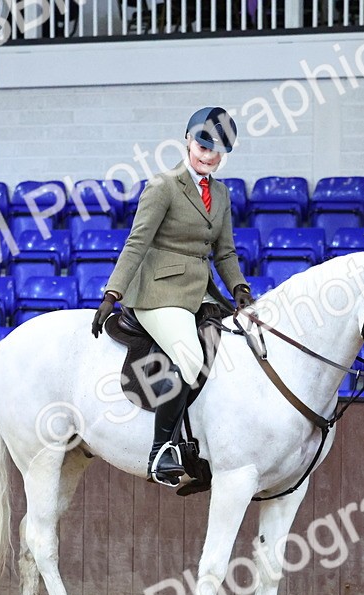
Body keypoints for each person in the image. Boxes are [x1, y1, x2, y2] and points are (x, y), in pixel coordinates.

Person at [90, 106, 253, 486]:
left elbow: (224, 252)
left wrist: (240, 289)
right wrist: (111, 294)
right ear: (188, 140)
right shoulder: (164, 185)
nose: (209, 155)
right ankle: (161, 451)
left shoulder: (223, 193)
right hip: (158, 293)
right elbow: (137, 241)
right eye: (203, 144)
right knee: (191, 356)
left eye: (217, 150)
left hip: (200, 292)